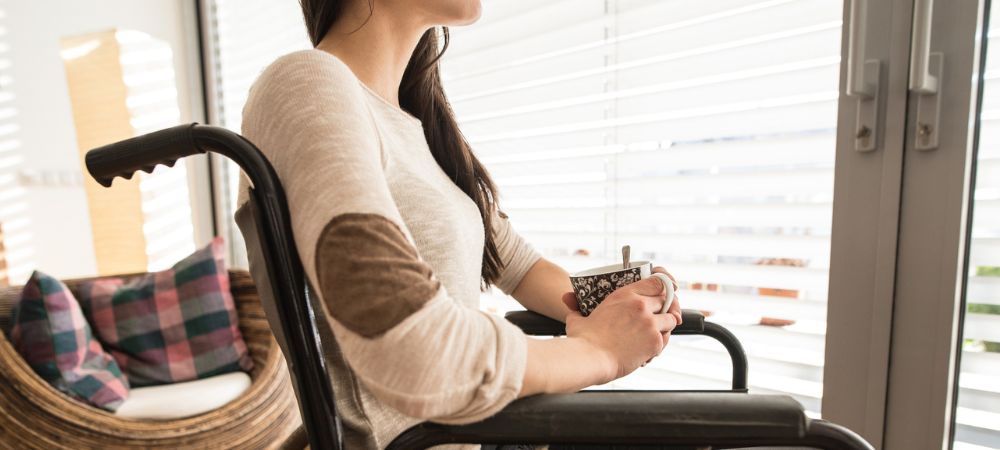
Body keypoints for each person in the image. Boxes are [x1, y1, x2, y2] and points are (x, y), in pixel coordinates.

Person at [236, 0, 683, 448]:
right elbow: (417, 351)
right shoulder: (307, 83)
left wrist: (626, 304)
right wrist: (597, 352)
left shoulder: (421, 129)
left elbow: (520, 267)